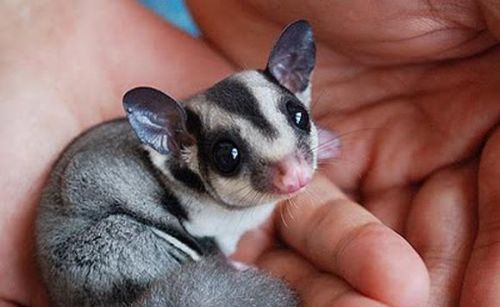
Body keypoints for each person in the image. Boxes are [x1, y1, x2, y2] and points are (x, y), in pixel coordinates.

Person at [0, 0, 498, 305]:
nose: (294, 174)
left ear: (297, 82)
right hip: (107, 254)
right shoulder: (178, 173)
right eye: (231, 157)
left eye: (299, 123)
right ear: (176, 148)